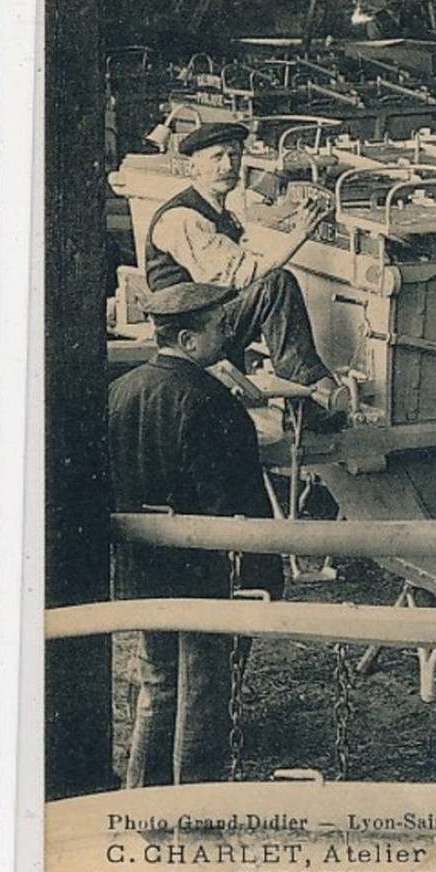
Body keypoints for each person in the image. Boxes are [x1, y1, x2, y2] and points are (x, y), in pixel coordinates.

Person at [107, 282, 284, 787]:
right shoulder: (211, 402)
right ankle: (195, 812)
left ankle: (140, 801)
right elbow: (234, 506)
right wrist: (262, 573)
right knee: (206, 695)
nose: (229, 336)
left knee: (159, 683)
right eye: (221, 328)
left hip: (140, 564)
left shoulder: (120, 391)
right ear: (187, 339)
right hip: (201, 570)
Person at [145, 122, 346, 412]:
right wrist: (300, 234)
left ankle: (305, 389)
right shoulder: (183, 218)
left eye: (235, 156)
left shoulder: (220, 212)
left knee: (271, 285)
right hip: (188, 331)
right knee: (276, 284)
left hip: (201, 319)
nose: (228, 165)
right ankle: (311, 394)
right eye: (217, 157)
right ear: (194, 168)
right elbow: (240, 276)